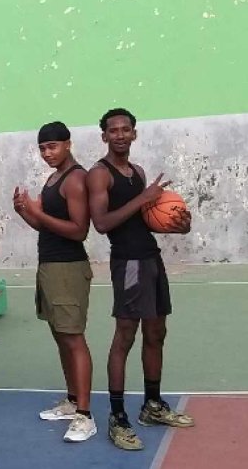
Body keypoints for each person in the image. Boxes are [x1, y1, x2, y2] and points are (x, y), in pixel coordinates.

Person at [86, 108, 194, 451]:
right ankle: (117, 418)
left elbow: (147, 218)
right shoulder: (99, 175)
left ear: (134, 134)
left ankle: (152, 404)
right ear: (104, 136)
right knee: (125, 337)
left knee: (157, 332)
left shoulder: (138, 172)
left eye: (125, 129)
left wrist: (178, 223)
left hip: (151, 258)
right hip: (128, 262)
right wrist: (143, 198)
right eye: (113, 130)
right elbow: (102, 223)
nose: (119, 134)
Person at [13, 122, 96, 442]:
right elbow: (47, 227)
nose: (48, 153)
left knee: (73, 338)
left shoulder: (76, 179)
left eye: (53, 147)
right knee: (61, 336)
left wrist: (38, 210)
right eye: (43, 148)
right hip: (50, 266)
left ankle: (86, 415)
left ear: (68, 144)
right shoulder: (54, 178)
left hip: (68, 269)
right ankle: (73, 401)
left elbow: (78, 230)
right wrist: (24, 211)